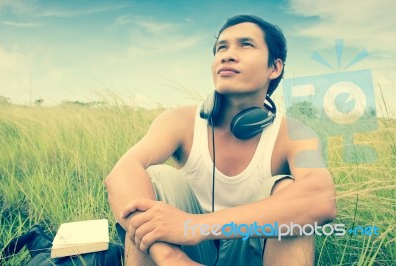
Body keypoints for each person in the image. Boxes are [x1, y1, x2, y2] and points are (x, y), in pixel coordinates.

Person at [105, 14, 336, 266]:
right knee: (157, 176)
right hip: (183, 254)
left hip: (250, 250)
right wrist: (170, 256)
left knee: (290, 195)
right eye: (221, 47)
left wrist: (195, 226)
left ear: (275, 67)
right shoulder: (178, 121)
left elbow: (321, 198)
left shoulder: (297, 133)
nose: (227, 54)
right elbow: (122, 172)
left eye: (245, 45)